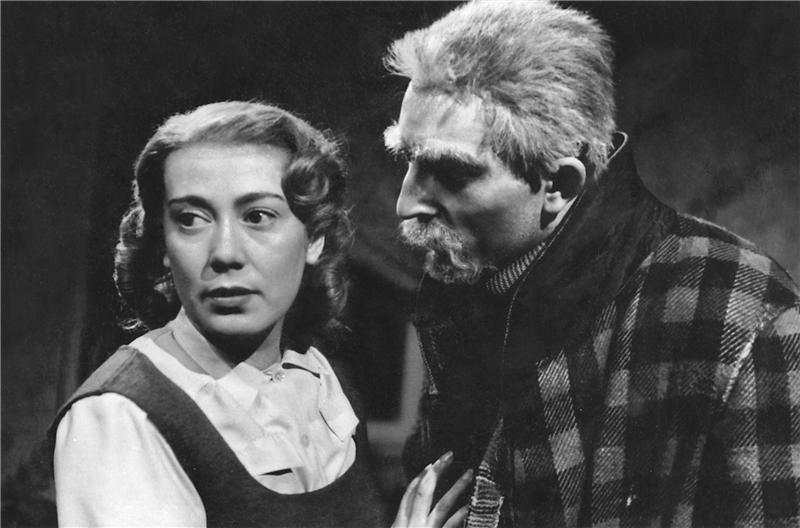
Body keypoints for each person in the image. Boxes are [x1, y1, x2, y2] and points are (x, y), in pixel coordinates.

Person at [383, 2, 800, 527]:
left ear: (560, 184)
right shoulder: (468, 284)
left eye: (450, 172)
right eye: (408, 159)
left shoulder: (739, 315)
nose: (406, 204)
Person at [49, 101, 469, 527]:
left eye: (257, 216)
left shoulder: (320, 381)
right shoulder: (123, 416)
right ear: (163, 246)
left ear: (314, 239)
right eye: (191, 219)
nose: (225, 253)